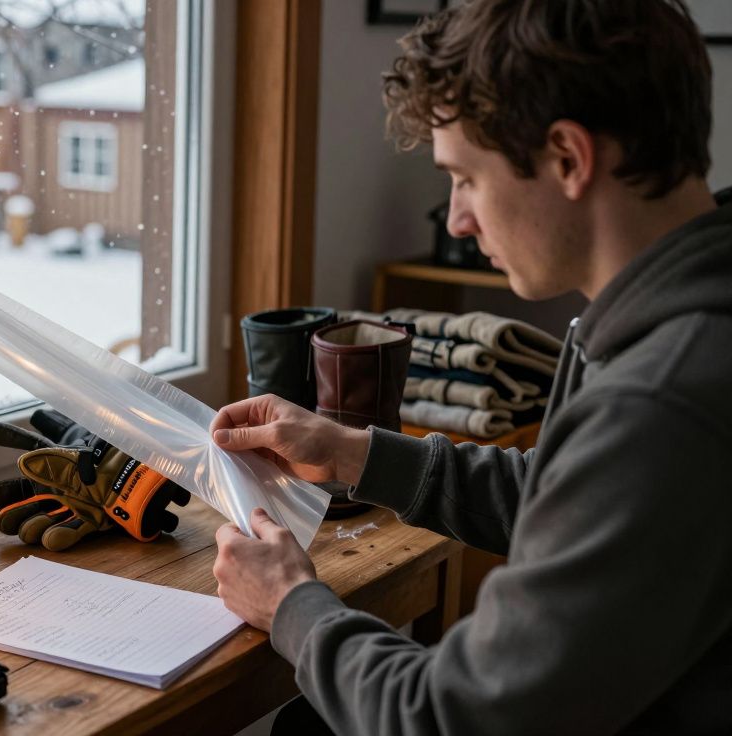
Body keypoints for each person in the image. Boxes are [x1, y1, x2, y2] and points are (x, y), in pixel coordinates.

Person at [209, 1, 732, 734]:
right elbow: (574, 498)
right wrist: (353, 451)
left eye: (466, 179)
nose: (455, 220)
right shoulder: (675, 314)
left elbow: (453, 719)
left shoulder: (663, 397)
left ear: (568, 158)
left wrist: (292, 605)